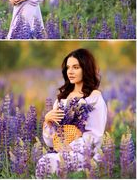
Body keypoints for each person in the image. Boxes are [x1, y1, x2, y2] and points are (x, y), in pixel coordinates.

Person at [36, 48, 107, 178]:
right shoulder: (61, 99)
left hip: (84, 154)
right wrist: (47, 121)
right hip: (59, 152)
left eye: (76, 67)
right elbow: (51, 142)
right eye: (68, 68)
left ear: (86, 69)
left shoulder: (94, 97)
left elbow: (95, 135)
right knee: (43, 162)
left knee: (55, 163)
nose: (70, 71)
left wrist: (68, 148)